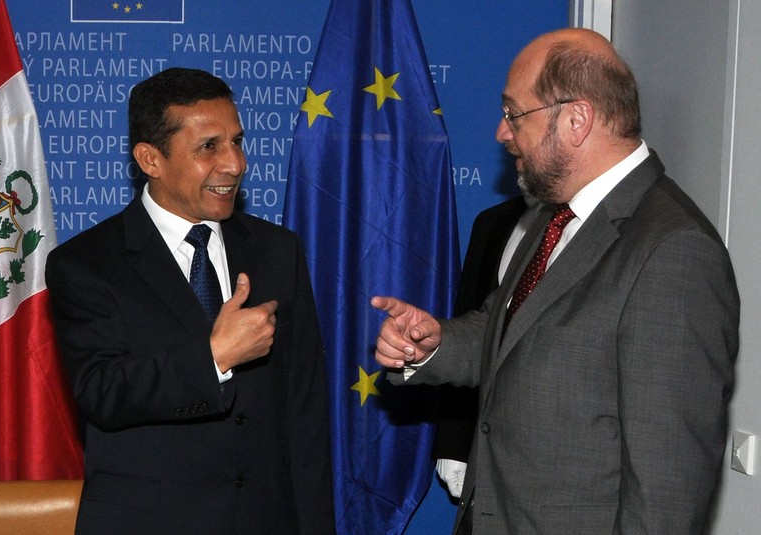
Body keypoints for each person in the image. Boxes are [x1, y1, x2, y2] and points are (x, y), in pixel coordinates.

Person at [372, 28, 739, 534]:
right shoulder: (557, 219)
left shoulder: (673, 251)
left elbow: (665, 496)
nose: (502, 133)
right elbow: (506, 330)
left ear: (576, 119)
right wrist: (431, 344)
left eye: (513, 113)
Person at [45, 68, 335, 535]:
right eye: (209, 147)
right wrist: (213, 358)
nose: (235, 164)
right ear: (150, 159)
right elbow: (104, 392)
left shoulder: (278, 251)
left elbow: (304, 415)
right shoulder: (85, 263)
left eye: (237, 142)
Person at [432, 195, 532, 499]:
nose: (506, 143)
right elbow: (474, 326)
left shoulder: (598, 227)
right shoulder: (492, 222)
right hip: (486, 456)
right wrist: (454, 442)